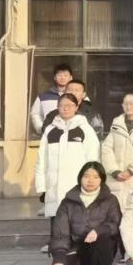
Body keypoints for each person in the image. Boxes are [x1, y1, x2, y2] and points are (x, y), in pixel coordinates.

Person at [45, 161, 122, 265]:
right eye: (86, 176)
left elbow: (115, 223)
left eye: (95, 177)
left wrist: (98, 231)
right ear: (80, 178)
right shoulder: (68, 202)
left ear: (102, 180)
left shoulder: (110, 200)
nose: (90, 180)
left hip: (102, 246)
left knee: (103, 239)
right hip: (78, 247)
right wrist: (59, 258)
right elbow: (60, 233)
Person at [36, 94, 102, 234]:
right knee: (57, 224)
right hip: (54, 185)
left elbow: (93, 159)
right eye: (61, 106)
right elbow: (42, 159)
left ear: (76, 107)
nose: (65, 109)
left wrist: (92, 182)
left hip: (77, 185)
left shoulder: (85, 129)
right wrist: (41, 185)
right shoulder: (50, 130)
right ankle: (57, 246)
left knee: (77, 224)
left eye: (69, 106)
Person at [31, 63, 73, 135]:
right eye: (59, 75)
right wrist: (41, 128)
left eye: (65, 75)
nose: (62, 78)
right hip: (49, 135)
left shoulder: (77, 96)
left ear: (71, 78)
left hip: (72, 135)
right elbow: (35, 114)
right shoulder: (43, 97)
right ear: (54, 78)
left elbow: (86, 113)